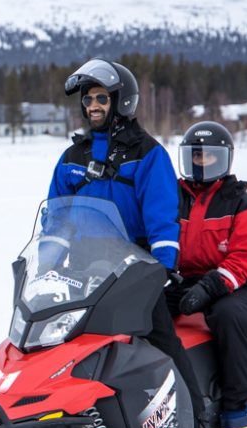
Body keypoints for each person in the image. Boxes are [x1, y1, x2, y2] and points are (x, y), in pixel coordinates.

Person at [48, 59, 188, 374]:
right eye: (88, 99)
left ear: (120, 101)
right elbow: (56, 219)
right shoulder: (72, 157)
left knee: (161, 340)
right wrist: (47, 263)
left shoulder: (147, 153)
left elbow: (162, 216)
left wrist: (163, 267)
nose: (93, 106)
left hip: (134, 270)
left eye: (101, 98)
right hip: (82, 268)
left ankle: (196, 417)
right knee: (59, 341)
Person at [171, 120, 247, 428]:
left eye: (209, 156)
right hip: (183, 278)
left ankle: (241, 405)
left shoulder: (240, 203)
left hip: (234, 284)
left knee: (230, 316)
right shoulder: (173, 197)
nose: (201, 163)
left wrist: (212, 286)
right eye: (195, 156)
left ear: (224, 159)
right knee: (141, 309)